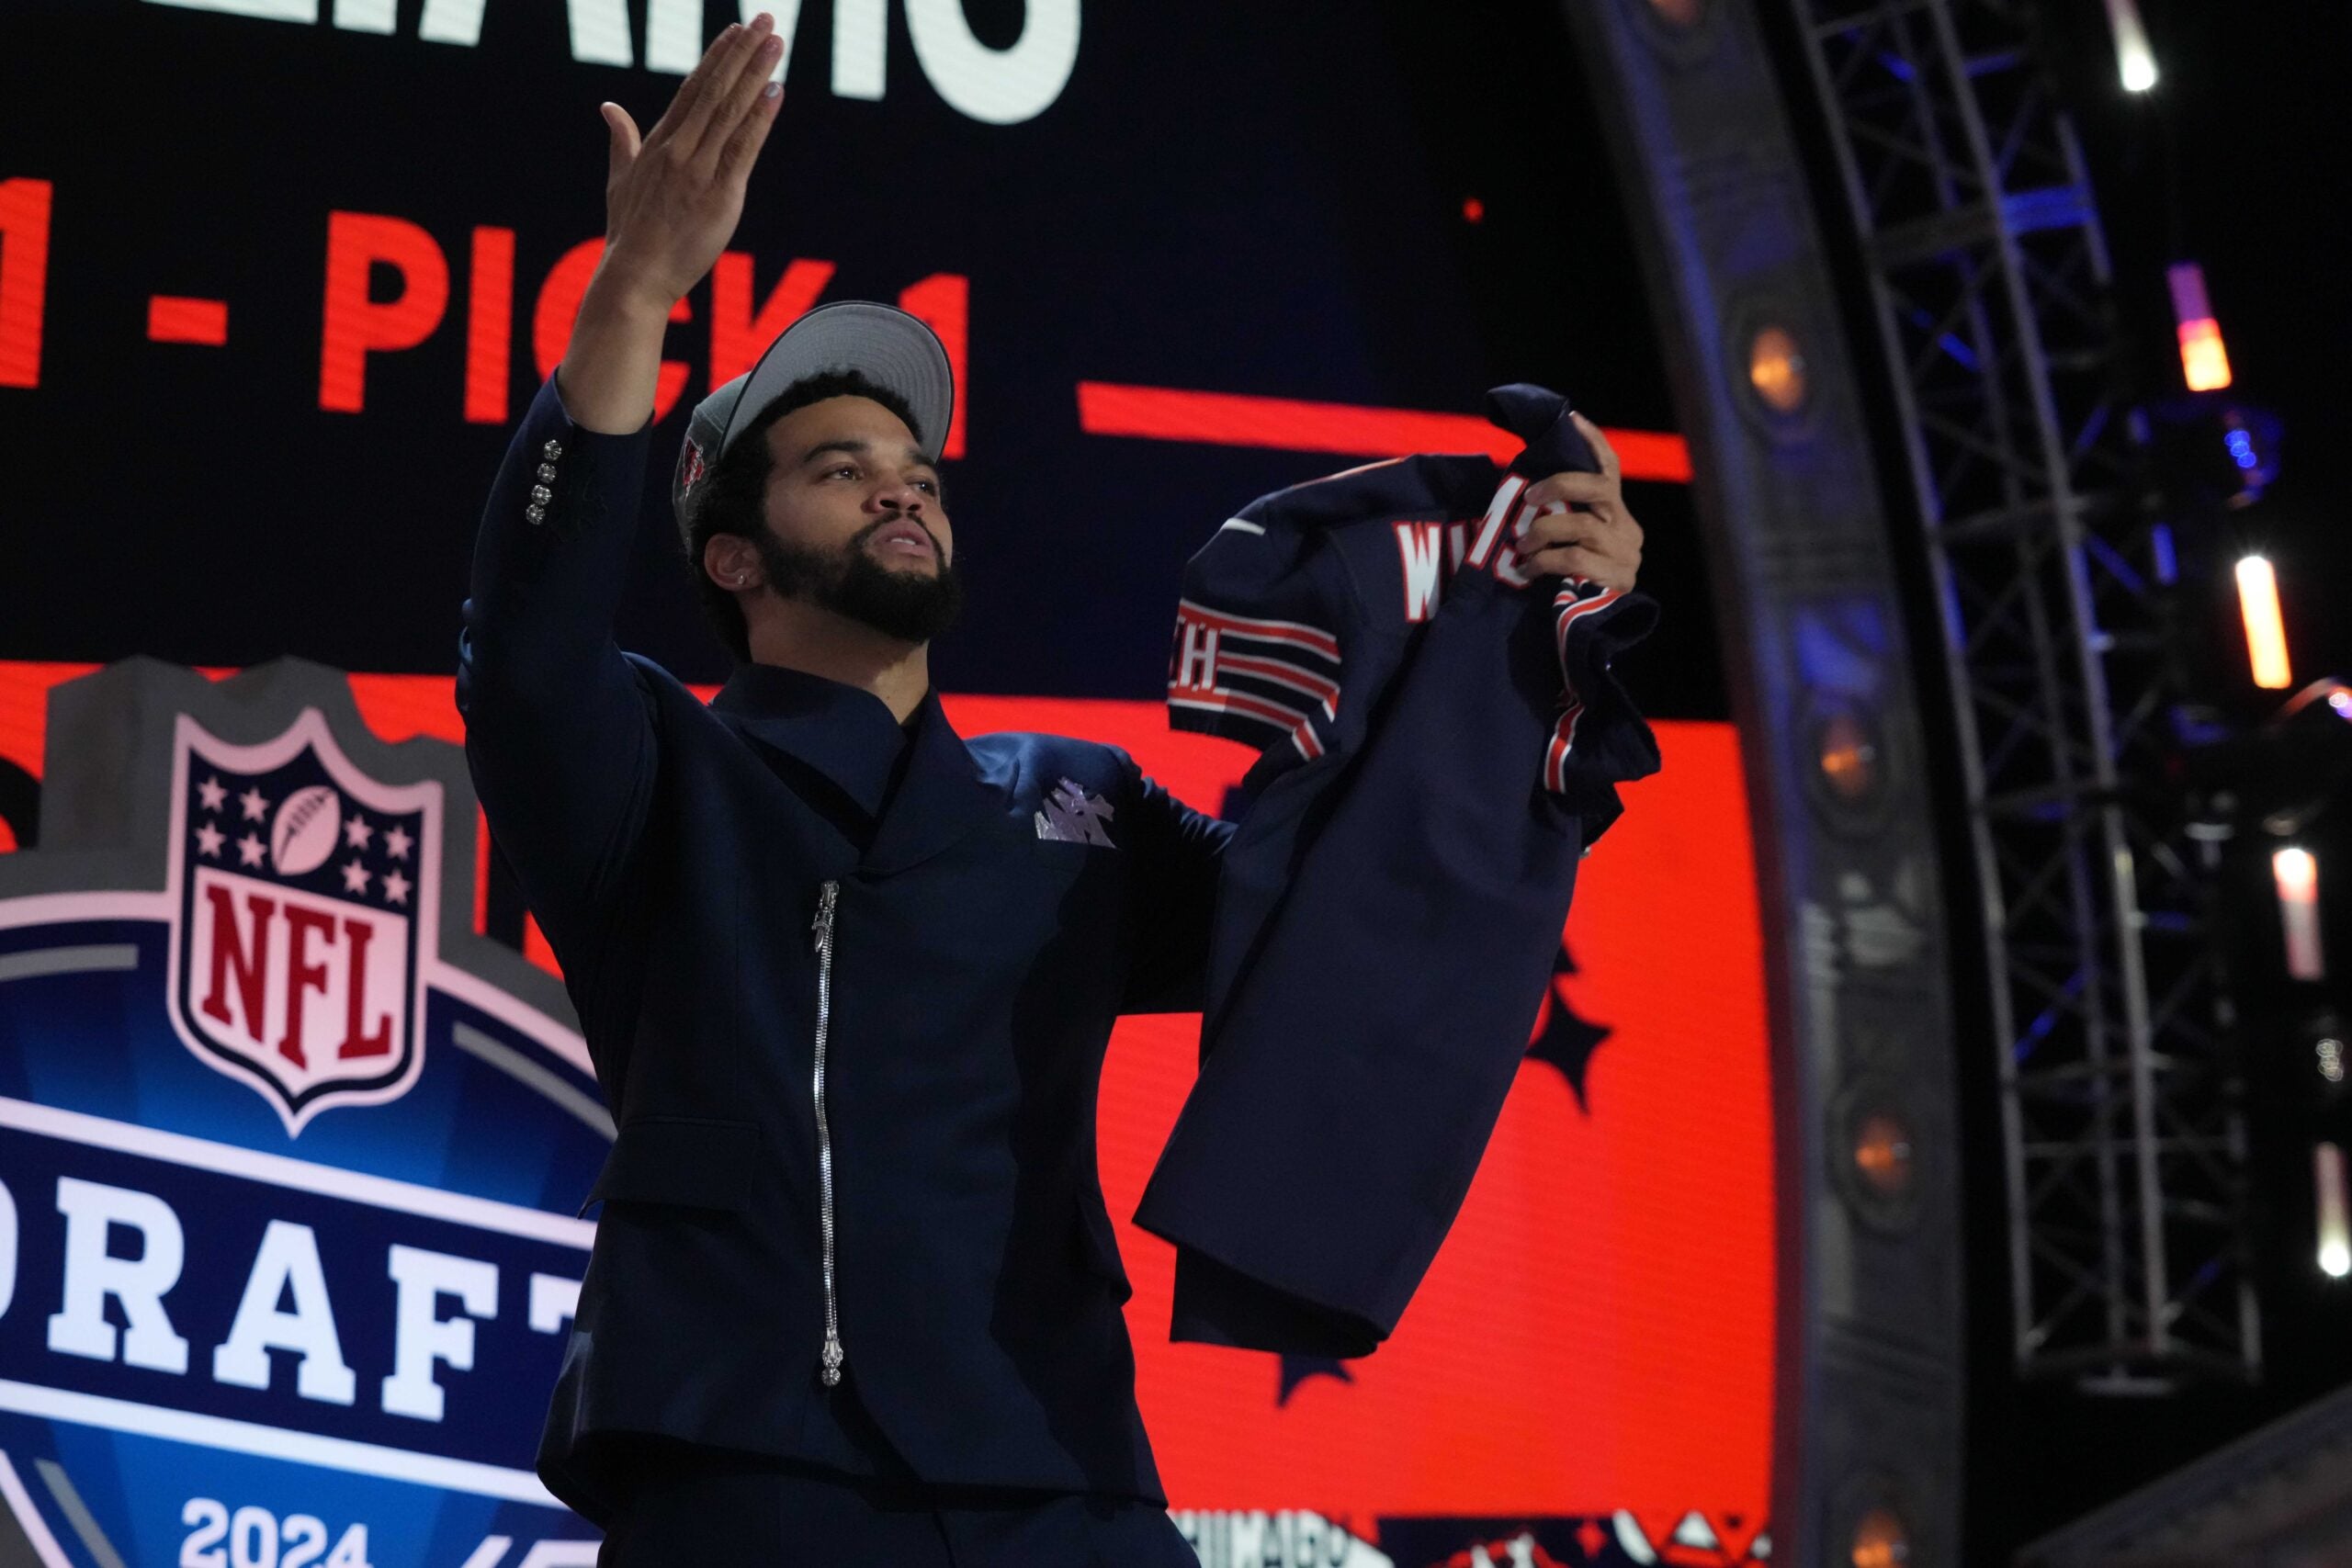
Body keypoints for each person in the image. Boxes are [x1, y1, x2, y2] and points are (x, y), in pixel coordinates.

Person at [456, 12, 1646, 1562]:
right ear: (733, 559)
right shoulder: (652, 769)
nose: (902, 483)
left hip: (1061, 1464)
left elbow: (1345, 915)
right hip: (742, 1460)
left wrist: (1532, 647)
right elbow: (527, 641)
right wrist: (632, 295)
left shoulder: (1077, 798)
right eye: (840, 467)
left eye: (919, 470)